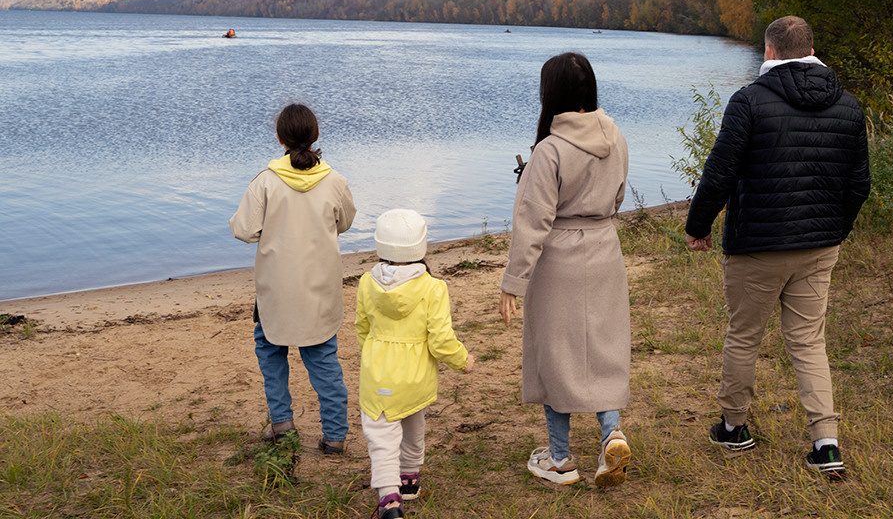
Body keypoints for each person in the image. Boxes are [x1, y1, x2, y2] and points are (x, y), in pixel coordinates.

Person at [684, 16, 871, 479]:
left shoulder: (748, 101)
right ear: (812, 50)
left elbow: (720, 172)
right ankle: (826, 444)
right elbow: (858, 184)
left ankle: (734, 428)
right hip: (819, 246)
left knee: (744, 335)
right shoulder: (849, 106)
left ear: (769, 52)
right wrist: (836, 229)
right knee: (809, 342)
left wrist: (698, 225)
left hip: (757, 246)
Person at [499, 52, 633, 488]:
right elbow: (617, 199)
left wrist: (513, 283)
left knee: (555, 354)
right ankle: (611, 433)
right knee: (602, 347)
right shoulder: (616, 137)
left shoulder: (550, 150)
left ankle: (559, 459)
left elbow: (532, 223)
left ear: (550, 94)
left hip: (559, 257)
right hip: (605, 249)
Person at [229, 103, 357, 454]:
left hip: (276, 290)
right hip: (320, 290)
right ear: (316, 136)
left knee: (271, 353)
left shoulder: (265, 181)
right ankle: (335, 436)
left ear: (279, 138)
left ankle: (282, 425)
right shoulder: (335, 181)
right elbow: (345, 222)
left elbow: (244, 230)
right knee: (324, 361)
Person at [355, 209, 474, 519]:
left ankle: (389, 498)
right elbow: (441, 340)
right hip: (416, 377)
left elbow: (362, 328)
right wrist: (463, 360)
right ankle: (409, 479)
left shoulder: (367, 282)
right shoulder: (433, 287)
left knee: (382, 437)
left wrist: (370, 356)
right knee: (413, 424)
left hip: (378, 375)